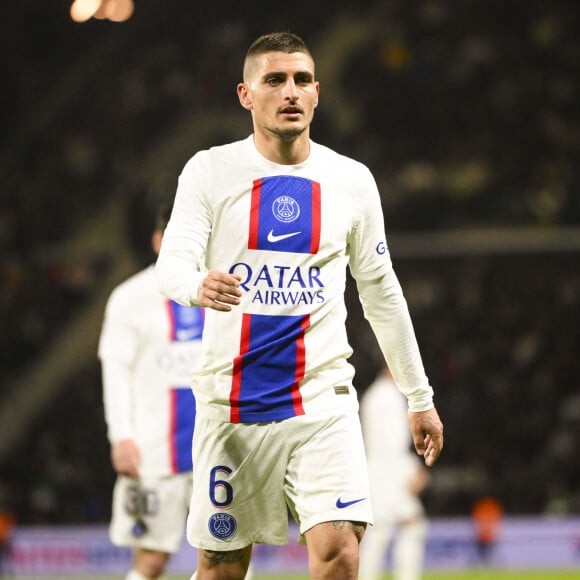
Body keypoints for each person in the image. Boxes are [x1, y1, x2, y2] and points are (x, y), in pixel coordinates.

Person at [155, 31, 444, 580]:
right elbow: (172, 266)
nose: (290, 92)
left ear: (317, 92)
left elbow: (381, 291)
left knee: (341, 552)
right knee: (221, 568)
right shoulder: (209, 171)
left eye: (301, 80)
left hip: (322, 401)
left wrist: (419, 396)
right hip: (232, 404)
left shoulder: (351, 181)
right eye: (275, 80)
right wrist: (197, 285)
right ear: (246, 94)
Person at [98, 202, 205, 580]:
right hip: (154, 455)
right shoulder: (130, 298)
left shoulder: (225, 289)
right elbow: (115, 368)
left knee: (231, 557)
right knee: (151, 561)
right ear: (158, 241)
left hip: (220, 451)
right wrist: (121, 436)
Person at [359, 364, 430, 580]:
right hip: (389, 476)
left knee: (377, 536)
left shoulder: (374, 395)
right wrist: (412, 469)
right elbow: (393, 445)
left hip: (376, 474)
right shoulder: (389, 398)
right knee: (412, 525)